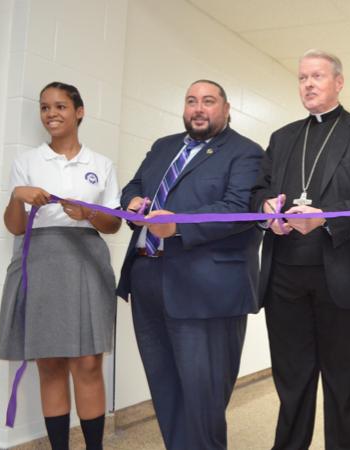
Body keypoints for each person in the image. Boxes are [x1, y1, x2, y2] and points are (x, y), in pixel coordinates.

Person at [252, 49, 350, 450]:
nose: (309, 84)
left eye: (317, 76)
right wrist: (267, 210)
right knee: (292, 382)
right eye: (302, 78)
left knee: (343, 383)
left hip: (343, 275)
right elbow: (258, 191)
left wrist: (325, 216)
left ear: (339, 82)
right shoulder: (282, 138)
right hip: (284, 276)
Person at [116, 79, 264, 450]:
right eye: (191, 101)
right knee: (165, 388)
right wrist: (131, 203)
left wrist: (177, 223)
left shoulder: (247, 153)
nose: (198, 108)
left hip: (206, 288)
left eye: (209, 101)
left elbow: (237, 210)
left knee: (204, 396)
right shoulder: (163, 146)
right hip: (148, 278)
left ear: (226, 109)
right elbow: (134, 186)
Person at [0, 82, 121, 450]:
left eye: (60, 106)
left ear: (79, 111)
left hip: (85, 263)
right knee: (49, 363)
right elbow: (16, 227)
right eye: (45, 107)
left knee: (87, 363)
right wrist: (17, 196)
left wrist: (89, 214)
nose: (51, 114)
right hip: (40, 262)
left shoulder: (101, 165)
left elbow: (113, 224)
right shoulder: (27, 162)